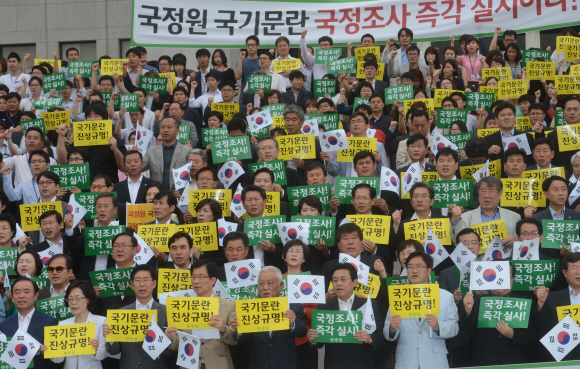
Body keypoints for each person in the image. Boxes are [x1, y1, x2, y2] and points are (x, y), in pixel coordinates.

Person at [384, 251, 459, 369]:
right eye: (410, 267)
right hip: (406, 362)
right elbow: (387, 333)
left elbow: (454, 327)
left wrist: (438, 326)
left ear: (429, 271)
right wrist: (392, 329)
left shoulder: (445, 296)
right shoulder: (398, 296)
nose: (414, 270)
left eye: (419, 266)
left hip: (435, 362)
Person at [307, 263, 384, 368]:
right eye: (335, 280)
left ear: (354, 282)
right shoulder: (324, 307)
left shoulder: (368, 304)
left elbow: (379, 336)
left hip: (362, 364)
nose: (338, 283)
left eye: (343, 279)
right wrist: (313, 340)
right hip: (334, 364)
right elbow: (319, 343)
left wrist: (369, 339)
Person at [460, 262, 537, 365]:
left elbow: (533, 334)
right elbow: (465, 327)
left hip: (515, 362)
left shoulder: (525, 302)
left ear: (512, 280)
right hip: (485, 362)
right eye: (495, 277)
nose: (500, 282)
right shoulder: (476, 300)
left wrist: (513, 335)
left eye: (504, 278)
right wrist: (468, 310)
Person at [230, 266, 307, 369]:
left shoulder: (293, 307)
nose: (265, 287)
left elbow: (302, 332)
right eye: (261, 284)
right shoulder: (249, 309)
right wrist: (239, 330)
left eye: (270, 283)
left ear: (281, 285)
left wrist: (293, 323)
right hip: (258, 364)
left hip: (286, 364)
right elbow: (246, 342)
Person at [167, 259, 238, 369]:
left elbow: (234, 340)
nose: (196, 281)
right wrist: (170, 338)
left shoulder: (228, 305)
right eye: (193, 277)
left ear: (212, 280)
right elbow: (178, 343)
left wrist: (223, 329)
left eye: (200, 277)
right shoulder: (183, 306)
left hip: (219, 364)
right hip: (189, 365)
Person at [103, 265, 177, 369]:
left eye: (146, 280)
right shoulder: (121, 313)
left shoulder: (166, 312)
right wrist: (109, 337)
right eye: (138, 280)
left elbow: (171, 352)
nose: (142, 284)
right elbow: (114, 351)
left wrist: (169, 339)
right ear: (132, 285)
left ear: (154, 283)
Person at [0, 278, 58, 369]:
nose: (21, 296)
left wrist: (39, 350)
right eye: (17, 292)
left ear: (36, 295)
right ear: (12, 296)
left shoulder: (50, 322)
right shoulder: (4, 325)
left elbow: (55, 357)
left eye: (26, 292)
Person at [48, 280, 106, 369]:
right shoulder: (63, 324)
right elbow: (59, 359)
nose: (73, 303)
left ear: (88, 299)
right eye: (70, 299)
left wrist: (96, 350)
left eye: (78, 299)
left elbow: (103, 354)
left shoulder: (101, 321)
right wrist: (50, 352)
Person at [451, 176, 520, 246]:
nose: (486, 195)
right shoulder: (465, 217)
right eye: (483, 191)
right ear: (478, 194)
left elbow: (522, 242)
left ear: (500, 194)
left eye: (491, 191)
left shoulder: (514, 217)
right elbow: (457, 243)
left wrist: (515, 242)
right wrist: (455, 220)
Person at [536, 252, 580, 362]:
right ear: (564, 273)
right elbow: (541, 329)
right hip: (562, 359)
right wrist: (541, 304)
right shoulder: (552, 298)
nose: (578, 272)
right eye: (574, 268)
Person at [321, 223, 384, 295]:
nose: (350, 242)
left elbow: (384, 293)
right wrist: (327, 297)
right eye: (345, 238)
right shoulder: (329, 266)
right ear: (338, 245)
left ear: (361, 242)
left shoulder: (375, 262)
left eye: (354, 238)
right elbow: (323, 294)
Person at [532, 176, 580, 259]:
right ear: (546, 194)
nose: (561, 193)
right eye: (556, 190)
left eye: (563, 189)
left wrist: (574, 253)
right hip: (547, 264)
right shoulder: (537, 218)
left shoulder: (577, 216)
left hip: (572, 265)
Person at [236, 185, 283, 268]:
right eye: (249, 200)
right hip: (250, 272)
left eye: (256, 199)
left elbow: (287, 251)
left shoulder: (276, 223)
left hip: (272, 270)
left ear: (264, 202)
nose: (253, 203)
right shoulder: (241, 227)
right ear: (243, 204)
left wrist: (274, 249)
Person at [143, 117, 190, 191]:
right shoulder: (151, 151)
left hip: (179, 194)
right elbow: (140, 168)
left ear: (177, 131)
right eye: (163, 127)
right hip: (157, 194)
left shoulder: (187, 151)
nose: (165, 130)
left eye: (169, 127)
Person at [235, 35, 261, 100]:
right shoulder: (242, 61)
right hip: (244, 95)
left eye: (252, 45)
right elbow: (237, 77)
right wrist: (241, 59)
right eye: (248, 45)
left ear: (257, 46)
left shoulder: (262, 61)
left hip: (259, 94)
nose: (250, 47)